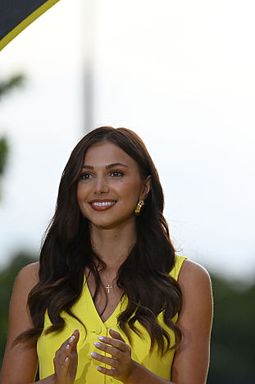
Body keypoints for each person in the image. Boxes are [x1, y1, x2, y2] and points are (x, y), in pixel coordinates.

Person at [0, 127, 213, 384]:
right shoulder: (35, 280)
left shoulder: (187, 280)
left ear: (145, 187)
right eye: (86, 176)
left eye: (115, 174)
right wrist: (56, 381)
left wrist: (133, 373)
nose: (99, 188)